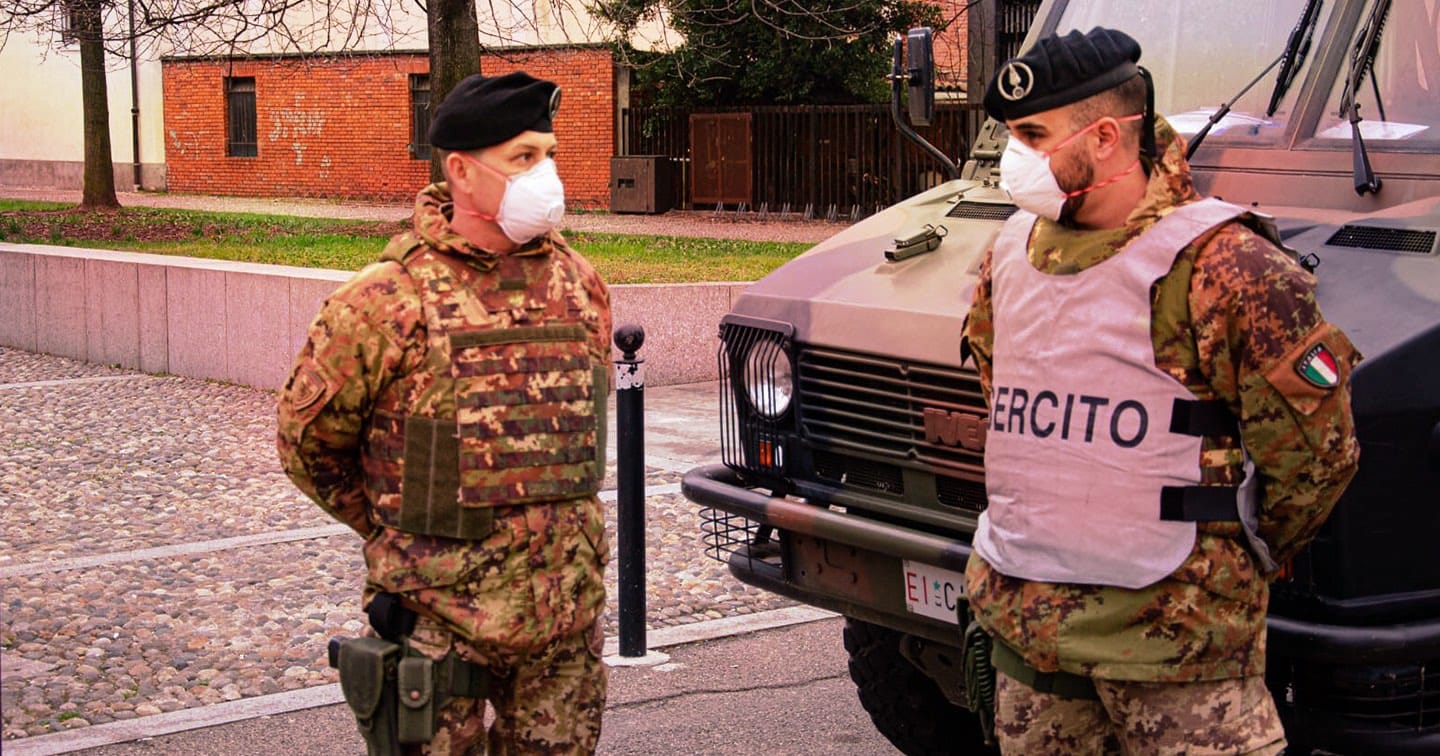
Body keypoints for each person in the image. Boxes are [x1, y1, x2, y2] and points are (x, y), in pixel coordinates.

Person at [962, 27, 1360, 754]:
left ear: (1105, 137)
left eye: (1032, 136)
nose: (1014, 157)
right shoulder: (1010, 252)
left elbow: (1315, 458)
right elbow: (1006, 402)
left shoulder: (1227, 265)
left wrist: (1230, 557)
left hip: (1177, 651)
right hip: (1031, 641)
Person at [276, 71, 612, 755]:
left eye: (549, 155)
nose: (545, 175)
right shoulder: (387, 299)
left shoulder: (579, 284)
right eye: (523, 158)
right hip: (438, 625)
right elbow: (308, 446)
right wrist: (402, 531)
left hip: (563, 628)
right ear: (460, 171)